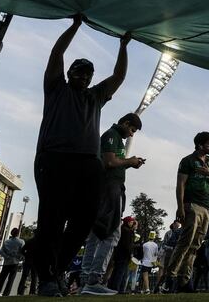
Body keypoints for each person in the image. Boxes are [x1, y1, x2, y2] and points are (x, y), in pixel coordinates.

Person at [34, 14, 130, 297]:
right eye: (79, 71)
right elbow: (56, 53)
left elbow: (119, 76)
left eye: (88, 73)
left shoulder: (95, 96)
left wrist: (124, 45)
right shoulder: (55, 88)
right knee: (52, 218)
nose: (84, 76)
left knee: (86, 219)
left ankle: (57, 269)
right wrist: (75, 25)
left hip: (88, 163)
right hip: (54, 158)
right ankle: (47, 278)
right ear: (69, 74)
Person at [80, 113, 145, 295]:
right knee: (112, 233)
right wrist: (130, 161)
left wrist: (129, 164)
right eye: (132, 130)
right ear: (125, 123)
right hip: (110, 187)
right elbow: (109, 161)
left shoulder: (117, 137)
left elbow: (115, 162)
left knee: (97, 233)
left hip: (108, 187)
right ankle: (94, 279)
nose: (132, 134)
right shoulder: (112, 135)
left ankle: (86, 280)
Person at [165, 131, 209, 292]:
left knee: (195, 245)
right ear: (200, 145)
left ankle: (184, 280)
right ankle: (171, 276)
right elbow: (180, 184)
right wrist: (180, 206)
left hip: (205, 207)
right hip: (191, 205)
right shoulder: (187, 161)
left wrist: (208, 173)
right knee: (185, 242)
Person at [108, 217, 137, 294]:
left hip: (118, 254)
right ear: (128, 222)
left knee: (117, 271)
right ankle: (117, 289)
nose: (132, 223)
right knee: (121, 272)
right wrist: (130, 253)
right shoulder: (127, 231)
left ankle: (112, 287)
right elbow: (127, 245)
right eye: (131, 222)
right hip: (124, 255)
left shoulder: (122, 229)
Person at [0, 228, 24, 296]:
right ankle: (6, 294)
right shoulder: (21, 242)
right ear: (18, 233)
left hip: (6, 263)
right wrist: (20, 258)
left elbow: (1, 251)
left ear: (11, 233)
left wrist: (6, 257)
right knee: (11, 279)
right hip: (15, 262)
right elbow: (23, 251)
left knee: (2, 279)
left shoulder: (6, 242)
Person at [155, 221, 181, 292]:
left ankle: (170, 288)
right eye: (176, 224)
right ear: (173, 224)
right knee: (166, 272)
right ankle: (158, 288)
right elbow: (163, 245)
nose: (177, 225)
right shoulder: (168, 233)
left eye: (178, 224)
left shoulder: (180, 232)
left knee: (174, 272)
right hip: (169, 254)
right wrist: (172, 248)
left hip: (176, 254)